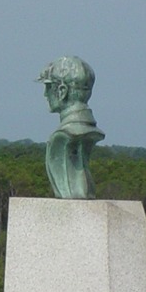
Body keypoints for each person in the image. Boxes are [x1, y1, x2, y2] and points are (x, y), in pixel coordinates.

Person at [36, 56, 104, 199]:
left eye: (48, 87)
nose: (45, 94)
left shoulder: (63, 136)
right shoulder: (86, 129)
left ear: (62, 91)